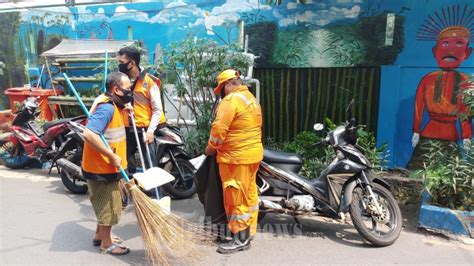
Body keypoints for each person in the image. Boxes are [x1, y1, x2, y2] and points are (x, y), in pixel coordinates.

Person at [205, 69, 263, 254]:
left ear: (227, 84)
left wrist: (210, 148)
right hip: (252, 155)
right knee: (249, 196)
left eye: (221, 89)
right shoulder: (250, 99)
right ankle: (248, 231)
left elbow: (219, 130)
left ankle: (240, 238)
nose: (221, 93)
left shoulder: (231, 100)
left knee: (235, 198)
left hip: (235, 158)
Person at [81, 72, 133, 255]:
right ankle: (106, 243)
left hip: (106, 166)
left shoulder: (114, 105)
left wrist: (124, 111)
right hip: (102, 167)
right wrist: (110, 156)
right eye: (127, 88)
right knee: (109, 205)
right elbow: (89, 134)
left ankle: (99, 235)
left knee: (105, 202)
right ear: (116, 89)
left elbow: (112, 128)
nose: (130, 91)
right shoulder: (107, 108)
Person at [410, 26, 473, 168]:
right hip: (428, 133)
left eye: (459, 44)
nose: (451, 50)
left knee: (449, 172)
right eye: (445, 44)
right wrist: (416, 130)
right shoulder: (427, 79)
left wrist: (466, 136)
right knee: (417, 169)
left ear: (467, 52)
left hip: (451, 136)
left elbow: (465, 111)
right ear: (435, 51)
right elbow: (418, 106)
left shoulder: (466, 81)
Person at [117, 46, 166, 175]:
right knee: (126, 165)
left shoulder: (149, 81)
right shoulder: (121, 80)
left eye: (122, 62)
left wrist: (150, 132)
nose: (119, 65)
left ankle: (156, 194)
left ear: (132, 63)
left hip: (144, 129)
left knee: (150, 165)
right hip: (127, 128)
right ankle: (132, 192)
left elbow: (157, 110)